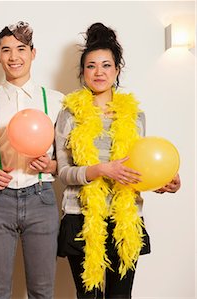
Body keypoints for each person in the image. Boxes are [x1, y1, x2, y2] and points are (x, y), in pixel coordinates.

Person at [55, 22, 181, 298]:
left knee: (120, 296)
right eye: (91, 66)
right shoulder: (69, 114)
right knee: (88, 296)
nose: (98, 72)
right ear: (82, 72)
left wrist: (163, 182)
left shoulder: (136, 117)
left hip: (125, 217)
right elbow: (62, 171)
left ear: (117, 70)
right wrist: (98, 170)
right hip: (82, 216)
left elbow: (140, 167)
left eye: (106, 65)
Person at [0, 21, 63, 299]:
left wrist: (51, 166)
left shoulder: (56, 101)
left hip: (41, 199)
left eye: (21, 49)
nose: (14, 57)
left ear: (33, 53)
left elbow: (72, 159)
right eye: (6, 50)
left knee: (42, 291)